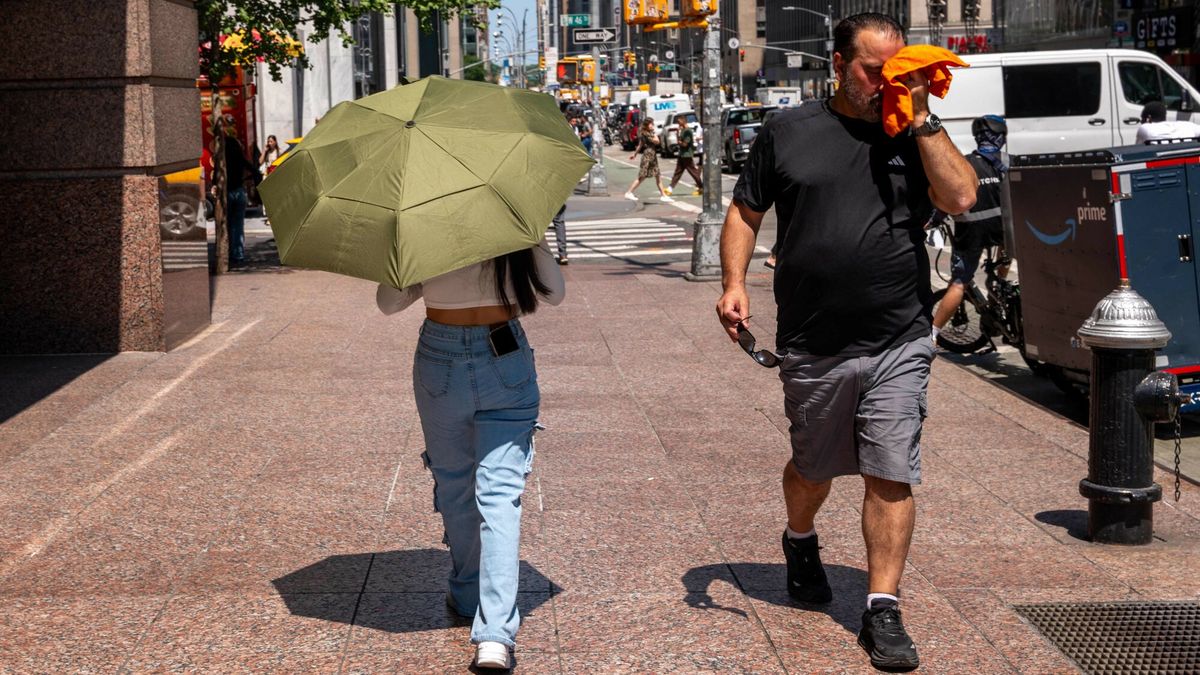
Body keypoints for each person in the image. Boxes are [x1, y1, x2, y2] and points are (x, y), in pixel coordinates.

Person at [715, 13, 976, 670]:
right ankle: (800, 536)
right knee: (814, 466)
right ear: (837, 64)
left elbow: (962, 195)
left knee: (891, 469)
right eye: (870, 69)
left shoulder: (914, 132)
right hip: (813, 338)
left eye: (893, 68)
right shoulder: (789, 130)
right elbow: (746, 210)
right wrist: (733, 282)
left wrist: (919, 118)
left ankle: (881, 606)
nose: (881, 81)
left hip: (899, 333)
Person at [376, 240, 565, 670]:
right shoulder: (513, 227)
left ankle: (465, 589)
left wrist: (414, 258)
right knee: (500, 495)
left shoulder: (423, 229)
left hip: (441, 356)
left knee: (456, 482)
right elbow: (555, 291)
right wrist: (532, 240)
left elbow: (388, 302)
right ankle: (495, 635)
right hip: (507, 355)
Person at [932, 115, 1010, 343]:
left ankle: (932, 334)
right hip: (1005, 231)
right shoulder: (1009, 162)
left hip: (971, 235)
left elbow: (949, 199)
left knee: (959, 282)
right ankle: (998, 295)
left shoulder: (964, 166)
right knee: (1004, 261)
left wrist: (934, 220)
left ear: (977, 138)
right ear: (1002, 137)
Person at [222, 120, 250, 266]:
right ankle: (238, 254)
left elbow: (216, 177)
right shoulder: (240, 158)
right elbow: (254, 170)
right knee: (238, 225)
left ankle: (227, 252)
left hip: (227, 191)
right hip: (239, 191)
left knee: (226, 224)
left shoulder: (223, 160)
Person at [625, 119, 673, 203]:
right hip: (648, 156)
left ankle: (663, 195)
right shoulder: (646, 134)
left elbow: (640, 144)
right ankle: (629, 192)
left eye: (652, 124)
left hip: (652, 156)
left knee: (657, 175)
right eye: (650, 124)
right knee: (642, 176)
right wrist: (654, 134)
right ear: (646, 125)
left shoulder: (647, 133)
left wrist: (635, 154)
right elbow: (657, 141)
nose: (652, 125)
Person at [665, 113, 703, 197]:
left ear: (683, 121)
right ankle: (670, 188)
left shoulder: (688, 131)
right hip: (682, 154)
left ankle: (701, 187)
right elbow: (680, 140)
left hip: (687, 154)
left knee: (693, 172)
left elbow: (685, 144)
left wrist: (680, 142)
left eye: (679, 121)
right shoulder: (683, 130)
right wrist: (678, 133)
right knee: (678, 172)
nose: (678, 123)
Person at [1136, 100, 1200, 143]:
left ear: (1148, 118)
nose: (1141, 122)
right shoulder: (1187, 126)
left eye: (1142, 119)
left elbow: (1137, 149)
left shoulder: (1145, 129)